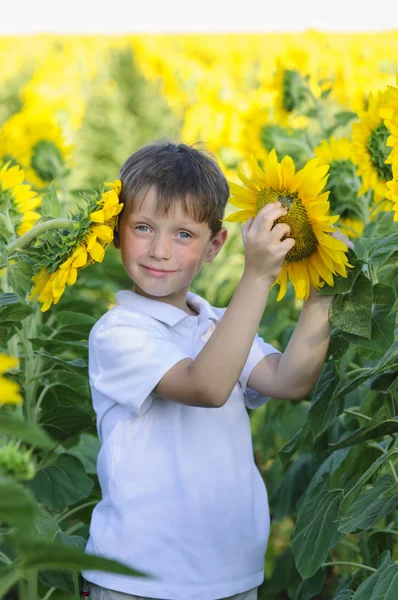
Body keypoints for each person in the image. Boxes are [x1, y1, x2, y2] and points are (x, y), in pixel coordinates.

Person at [81, 141, 352, 600]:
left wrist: (322, 291)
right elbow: (205, 386)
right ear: (115, 232)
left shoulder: (217, 324)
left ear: (214, 245)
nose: (160, 250)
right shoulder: (118, 332)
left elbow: (291, 381)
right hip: (138, 579)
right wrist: (258, 275)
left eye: (184, 234)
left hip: (230, 577)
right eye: (143, 227)